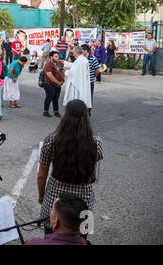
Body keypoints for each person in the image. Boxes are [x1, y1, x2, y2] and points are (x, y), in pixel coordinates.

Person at [37, 99, 103, 233]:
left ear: (65, 116)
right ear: (86, 117)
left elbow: (41, 175)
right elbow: (93, 175)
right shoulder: (95, 142)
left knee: (51, 238)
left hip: (54, 202)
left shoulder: (52, 140)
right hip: (83, 203)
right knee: (80, 238)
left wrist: (41, 196)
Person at [43, 51, 64, 118]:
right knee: (49, 97)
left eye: (58, 56)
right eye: (55, 56)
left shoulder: (59, 63)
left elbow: (62, 71)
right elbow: (49, 75)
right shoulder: (48, 65)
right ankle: (45, 111)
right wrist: (58, 82)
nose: (57, 57)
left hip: (58, 85)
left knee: (56, 98)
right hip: (49, 84)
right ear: (51, 57)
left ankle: (56, 111)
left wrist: (62, 80)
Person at [81, 44, 100, 117]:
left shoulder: (93, 58)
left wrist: (92, 76)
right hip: (82, 81)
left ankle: (88, 112)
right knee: (82, 96)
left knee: (89, 97)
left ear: (86, 50)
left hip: (90, 82)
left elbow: (97, 70)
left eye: (81, 50)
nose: (80, 51)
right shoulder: (81, 58)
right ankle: (82, 111)